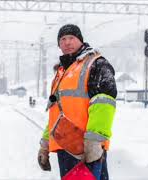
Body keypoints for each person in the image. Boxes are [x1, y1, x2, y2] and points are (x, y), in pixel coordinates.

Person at [37, 24, 117, 180]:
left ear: (80, 40)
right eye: (63, 39)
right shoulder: (62, 72)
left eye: (71, 38)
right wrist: (45, 144)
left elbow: (104, 104)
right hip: (65, 146)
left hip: (86, 148)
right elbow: (57, 113)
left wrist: (94, 141)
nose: (67, 42)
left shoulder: (96, 64)